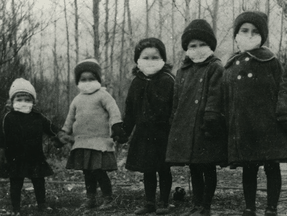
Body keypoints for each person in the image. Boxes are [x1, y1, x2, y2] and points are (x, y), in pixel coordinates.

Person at [223, 11, 287, 216]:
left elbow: (281, 89)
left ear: (263, 36)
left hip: (268, 124)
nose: (249, 35)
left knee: (271, 165)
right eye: (244, 30)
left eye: (255, 31)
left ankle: (271, 208)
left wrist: (282, 114)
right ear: (236, 34)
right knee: (248, 167)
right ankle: (249, 207)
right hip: (243, 124)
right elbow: (226, 95)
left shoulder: (271, 61)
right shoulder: (232, 64)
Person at [166, 19, 227, 216]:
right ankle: (197, 203)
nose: (197, 49)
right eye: (193, 45)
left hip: (207, 127)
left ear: (210, 46)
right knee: (193, 168)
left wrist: (211, 118)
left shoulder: (215, 67)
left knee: (207, 166)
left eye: (202, 44)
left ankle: (206, 206)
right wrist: (174, 121)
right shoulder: (182, 71)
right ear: (186, 48)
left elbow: (216, 94)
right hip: (186, 128)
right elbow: (177, 99)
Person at [59, 59, 126, 210]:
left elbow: (113, 110)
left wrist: (116, 126)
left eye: (91, 79)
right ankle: (91, 199)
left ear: (98, 80)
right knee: (87, 173)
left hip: (99, 142)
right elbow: (69, 119)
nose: (87, 82)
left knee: (98, 171)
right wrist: (63, 133)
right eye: (83, 79)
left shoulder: (103, 95)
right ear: (78, 81)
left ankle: (108, 198)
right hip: (82, 142)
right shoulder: (77, 99)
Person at [122, 38, 174, 215]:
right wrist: (125, 131)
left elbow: (175, 109)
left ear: (163, 59)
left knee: (163, 169)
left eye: (155, 57)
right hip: (143, 133)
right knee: (148, 170)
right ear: (138, 59)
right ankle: (149, 202)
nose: (150, 62)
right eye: (146, 57)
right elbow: (130, 110)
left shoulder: (168, 80)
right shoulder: (137, 82)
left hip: (163, 133)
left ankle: (164, 202)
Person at [0, 78, 63, 216]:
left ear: (33, 102)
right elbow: (1, 137)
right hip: (15, 158)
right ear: (12, 101)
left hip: (35, 156)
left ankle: (42, 205)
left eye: (27, 100)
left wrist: (61, 135)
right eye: (19, 99)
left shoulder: (37, 117)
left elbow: (51, 128)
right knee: (16, 184)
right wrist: (2, 154)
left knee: (39, 182)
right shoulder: (8, 117)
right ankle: (16, 208)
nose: (23, 102)